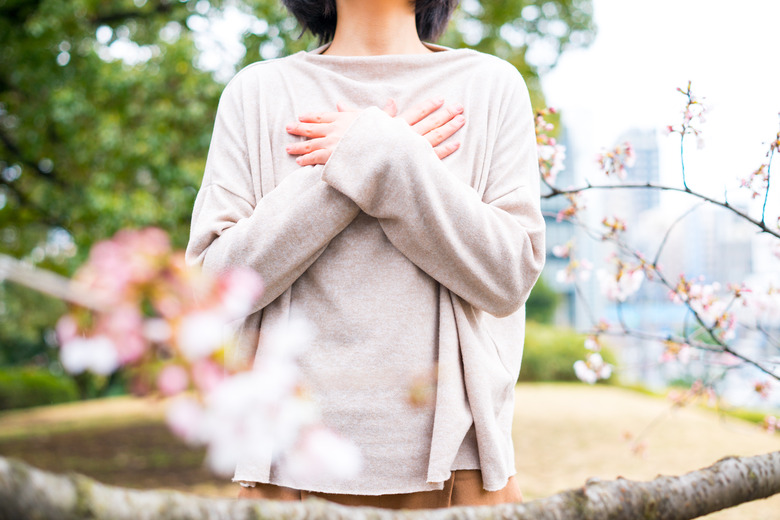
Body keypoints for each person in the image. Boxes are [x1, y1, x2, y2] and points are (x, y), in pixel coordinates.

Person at [185, 0, 546, 509]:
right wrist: (370, 158)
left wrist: (386, 154)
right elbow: (211, 291)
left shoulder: (489, 86)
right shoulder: (258, 92)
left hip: (459, 469)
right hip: (286, 467)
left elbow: (508, 277)